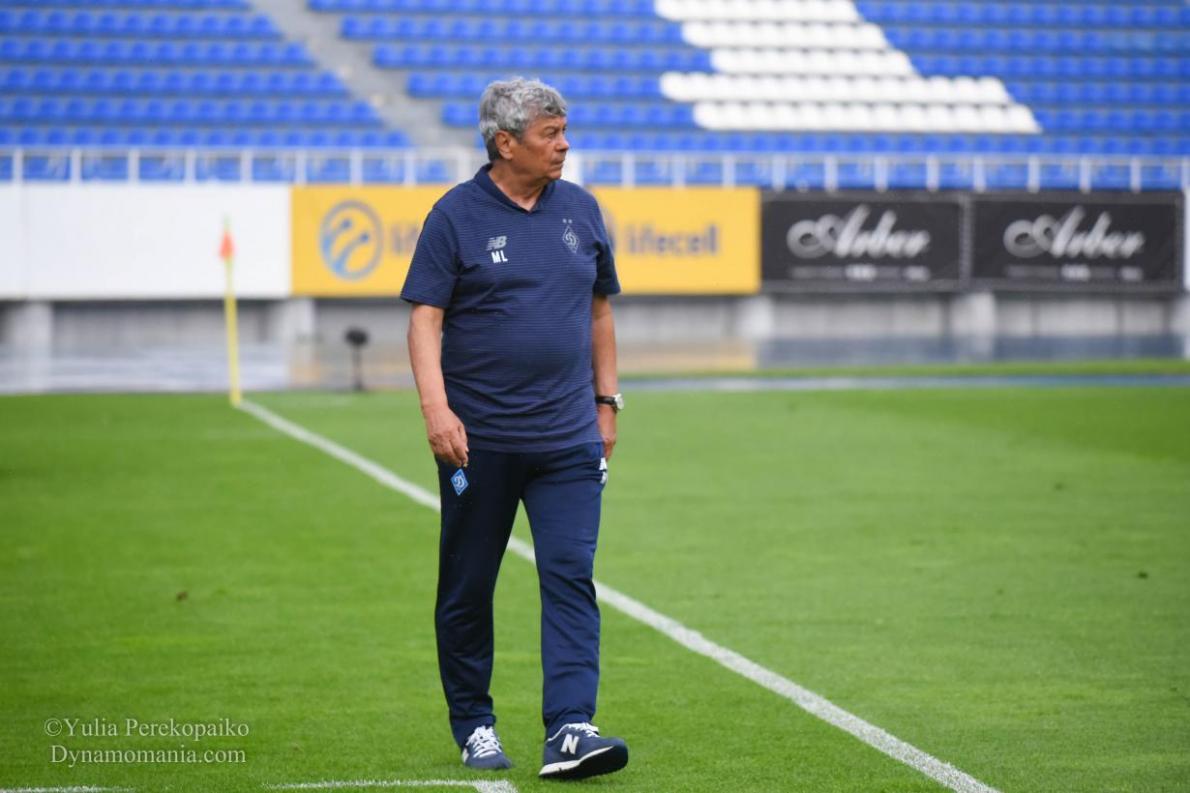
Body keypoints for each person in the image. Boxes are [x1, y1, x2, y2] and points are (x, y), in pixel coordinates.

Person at [400, 78, 628, 781]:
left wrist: (607, 403)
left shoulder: (582, 210)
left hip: (569, 439)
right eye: (549, 135)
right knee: (468, 585)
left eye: (564, 132)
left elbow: (599, 312)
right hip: (480, 442)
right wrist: (436, 410)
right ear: (505, 143)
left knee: (570, 576)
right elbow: (424, 320)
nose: (564, 145)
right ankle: (474, 723)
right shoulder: (455, 216)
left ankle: (570, 727)